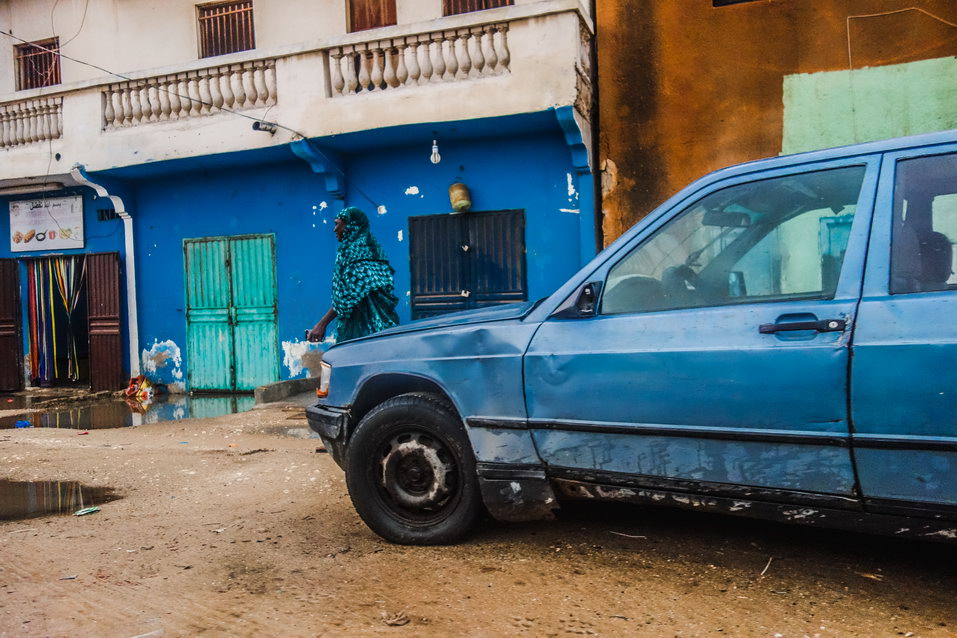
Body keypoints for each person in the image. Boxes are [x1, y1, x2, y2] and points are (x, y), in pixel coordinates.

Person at [308, 206, 399, 343]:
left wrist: (321, 325)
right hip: (381, 328)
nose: (334, 229)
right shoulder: (373, 249)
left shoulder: (354, 253)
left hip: (364, 331)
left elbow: (348, 297)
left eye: (337, 224)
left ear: (351, 225)